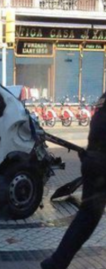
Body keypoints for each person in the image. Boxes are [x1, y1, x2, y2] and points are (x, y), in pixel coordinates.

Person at [41, 92, 106, 269]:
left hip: (94, 159)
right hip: (101, 161)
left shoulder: (103, 98)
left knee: (86, 218)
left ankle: (56, 263)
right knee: (87, 218)